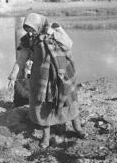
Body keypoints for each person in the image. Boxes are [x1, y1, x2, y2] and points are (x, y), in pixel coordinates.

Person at [8, 13, 86, 148]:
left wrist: (54, 34)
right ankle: (46, 137)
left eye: (31, 29)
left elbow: (69, 45)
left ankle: (77, 128)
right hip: (42, 78)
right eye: (27, 30)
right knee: (43, 105)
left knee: (68, 100)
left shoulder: (54, 31)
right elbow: (21, 60)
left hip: (62, 74)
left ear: (39, 25)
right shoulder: (28, 41)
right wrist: (13, 76)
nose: (30, 33)